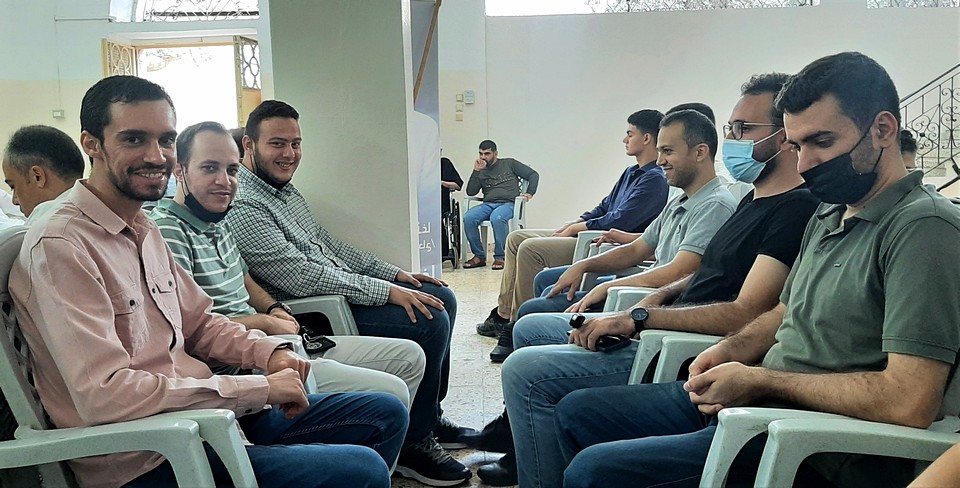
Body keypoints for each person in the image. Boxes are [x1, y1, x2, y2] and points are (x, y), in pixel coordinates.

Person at [556, 52, 960, 488]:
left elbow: (909, 399)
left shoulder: (923, 228)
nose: (804, 164)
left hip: (817, 448)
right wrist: (730, 351)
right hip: (760, 407)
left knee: (593, 472)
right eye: (797, 146)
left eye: (821, 141)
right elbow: (784, 312)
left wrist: (761, 380)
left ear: (883, 129)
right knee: (577, 413)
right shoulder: (830, 212)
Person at [9, 75, 409, 488]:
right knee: (362, 470)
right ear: (91, 144)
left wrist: (269, 353)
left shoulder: (142, 227)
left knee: (384, 413)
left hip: (209, 423)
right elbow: (104, 395)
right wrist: (256, 389)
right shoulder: (62, 246)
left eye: (166, 140)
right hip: (150, 456)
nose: (156, 155)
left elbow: (199, 323)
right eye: (134, 139)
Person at [476, 74, 822, 486]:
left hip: (682, 345)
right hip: (665, 326)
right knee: (544, 349)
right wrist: (648, 300)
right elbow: (695, 273)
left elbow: (747, 310)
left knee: (527, 369)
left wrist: (638, 316)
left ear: (785, 136)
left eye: (743, 129)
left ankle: (524, 451)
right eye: (730, 127)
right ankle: (522, 443)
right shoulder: (752, 198)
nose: (732, 139)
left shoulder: (793, 209)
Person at [226, 100, 474, 486]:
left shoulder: (284, 192)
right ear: (248, 144)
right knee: (430, 320)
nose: (289, 154)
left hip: (337, 289)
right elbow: (300, 277)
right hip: (309, 310)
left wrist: (394, 274)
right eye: (277, 143)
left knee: (440, 296)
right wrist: (385, 292)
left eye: (295, 143)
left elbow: (329, 246)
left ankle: (430, 418)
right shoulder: (245, 205)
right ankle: (414, 442)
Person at [149, 121, 425, 408]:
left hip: (272, 342)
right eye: (209, 168)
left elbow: (244, 279)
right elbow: (189, 332)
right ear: (179, 170)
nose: (225, 181)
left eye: (232, 170)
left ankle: (407, 435)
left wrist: (273, 308)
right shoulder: (168, 232)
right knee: (391, 393)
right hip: (241, 367)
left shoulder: (217, 218)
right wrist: (265, 323)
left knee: (410, 357)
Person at [487, 109, 737, 364]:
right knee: (544, 295)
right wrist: (585, 265)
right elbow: (637, 248)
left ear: (700, 152)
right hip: (641, 298)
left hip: (650, 309)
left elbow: (680, 271)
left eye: (668, 152)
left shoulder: (714, 205)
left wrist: (607, 286)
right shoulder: (681, 199)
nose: (660, 160)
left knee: (529, 323)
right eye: (660, 151)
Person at [476, 110, 669, 346]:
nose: (624, 139)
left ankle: (515, 323)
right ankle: (504, 313)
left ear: (646, 138)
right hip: (591, 232)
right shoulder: (631, 172)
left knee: (530, 249)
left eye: (630, 134)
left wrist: (579, 227)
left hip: (602, 241)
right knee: (516, 238)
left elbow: (621, 220)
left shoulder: (654, 179)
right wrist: (575, 223)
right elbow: (604, 206)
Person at [462, 140, 540, 270]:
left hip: (509, 204)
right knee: (468, 217)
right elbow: (471, 192)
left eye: (487, 154)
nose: (483, 157)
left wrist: (530, 193)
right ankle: (479, 256)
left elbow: (533, 174)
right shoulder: (481, 170)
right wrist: (476, 171)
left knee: (497, 217)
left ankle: (501, 257)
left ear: (495, 153)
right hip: (488, 204)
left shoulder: (509, 163)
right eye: (481, 153)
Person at [1, 124, 84, 224]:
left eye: (13, 186)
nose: (15, 201)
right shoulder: (96, 211)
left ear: (38, 177)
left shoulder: (45, 228)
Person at [440, 154, 463, 257]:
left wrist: (442, 183)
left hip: (441, 203)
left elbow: (458, 186)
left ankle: (443, 252)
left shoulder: (444, 163)